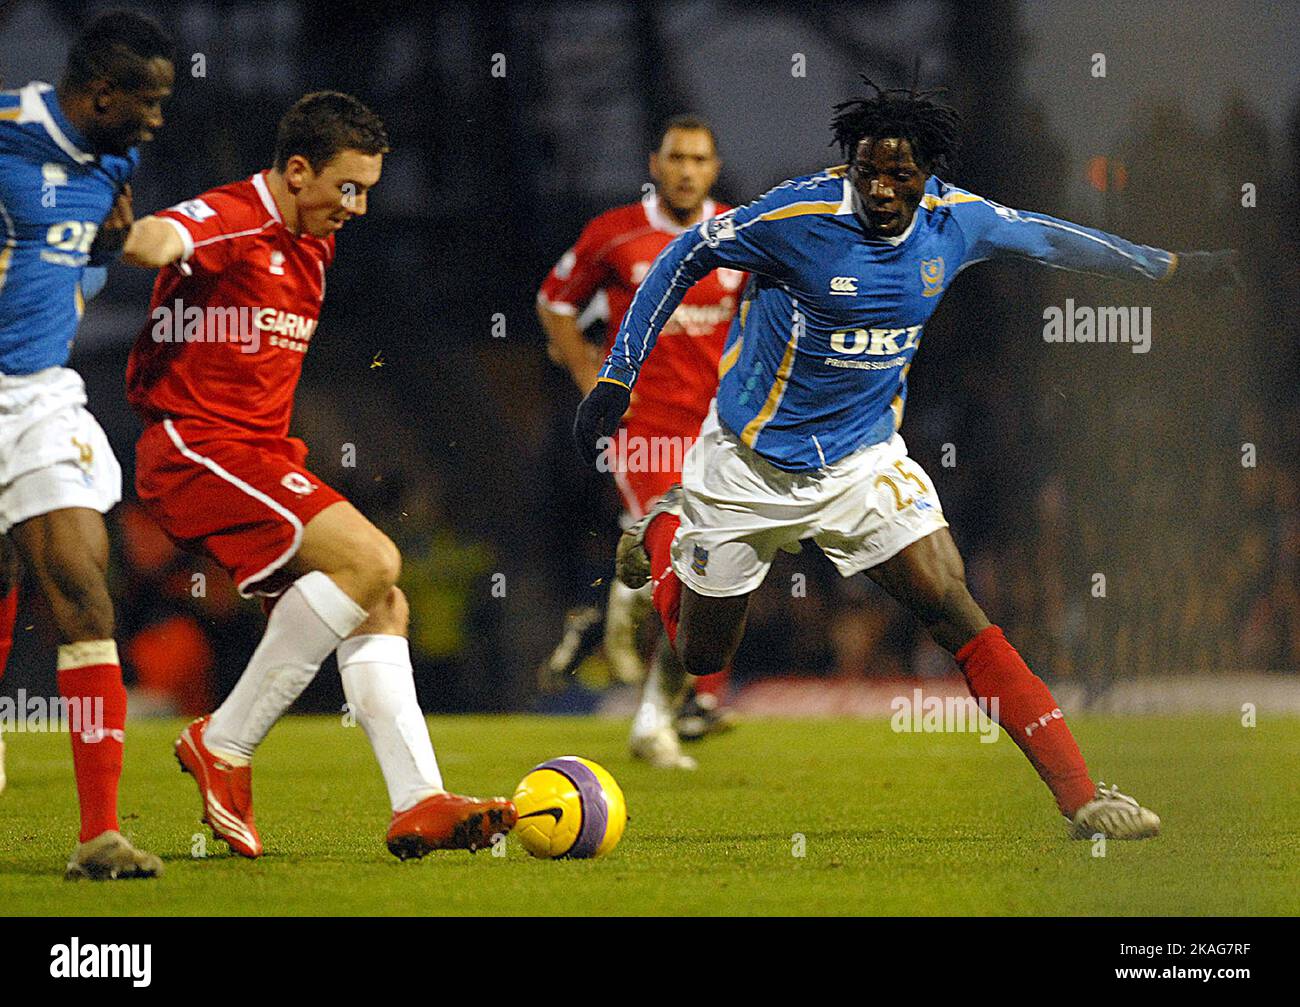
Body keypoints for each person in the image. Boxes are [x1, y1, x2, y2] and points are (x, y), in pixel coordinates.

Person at [575, 80, 1241, 839]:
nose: (881, 189)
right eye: (867, 172)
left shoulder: (957, 221)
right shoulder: (796, 219)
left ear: (930, 174)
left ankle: (1082, 798)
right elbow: (685, 254)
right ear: (849, 166)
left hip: (864, 461)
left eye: (900, 174)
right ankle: (665, 531)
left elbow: (1056, 239)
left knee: (951, 601)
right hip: (748, 466)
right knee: (698, 655)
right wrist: (618, 374)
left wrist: (1170, 270)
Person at [119, 91, 515, 859]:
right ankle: (224, 743)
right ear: (297, 171)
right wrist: (122, 234)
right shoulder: (235, 217)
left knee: (382, 601)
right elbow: (164, 238)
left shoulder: (315, 238)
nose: (359, 207)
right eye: (349, 187)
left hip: (259, 456)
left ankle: (418, 800)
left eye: (367, 188)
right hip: (195, 448)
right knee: (374, 559)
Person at [0, 9, 172, 878]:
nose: (157, 120)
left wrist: (108, 249)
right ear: (100, 92)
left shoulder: (115, 161)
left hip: (37, 399)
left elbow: (86, 250)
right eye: (148, 101)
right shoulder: (8, 133)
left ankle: (100, 832)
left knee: (82, 586)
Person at [538, 116, 739, 769]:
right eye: (676, 156)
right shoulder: (616, 232)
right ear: (655, 161)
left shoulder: (739, 233)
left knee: (719, 557)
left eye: (699, 158)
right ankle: (702, 692)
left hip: (718, 430)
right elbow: (554, 302)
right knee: (683, 548)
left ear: (713, 167)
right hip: (644, 428)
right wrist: (588, 374)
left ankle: (653, 716)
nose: (686, 169)